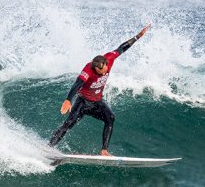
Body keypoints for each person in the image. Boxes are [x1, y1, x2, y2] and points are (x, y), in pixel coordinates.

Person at [49, 23, 151, 156]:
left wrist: (138, 36)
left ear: (106, 64)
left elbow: (122, 48)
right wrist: (68, 99)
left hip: (97, 102)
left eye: (104, 71)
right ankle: (49, 147)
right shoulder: (88, 69)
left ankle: (104, 150)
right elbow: (77, 84)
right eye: (99, 72)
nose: (103, 74)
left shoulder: (110, 57)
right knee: (68, 124)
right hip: (83, 102)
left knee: (110, 118)